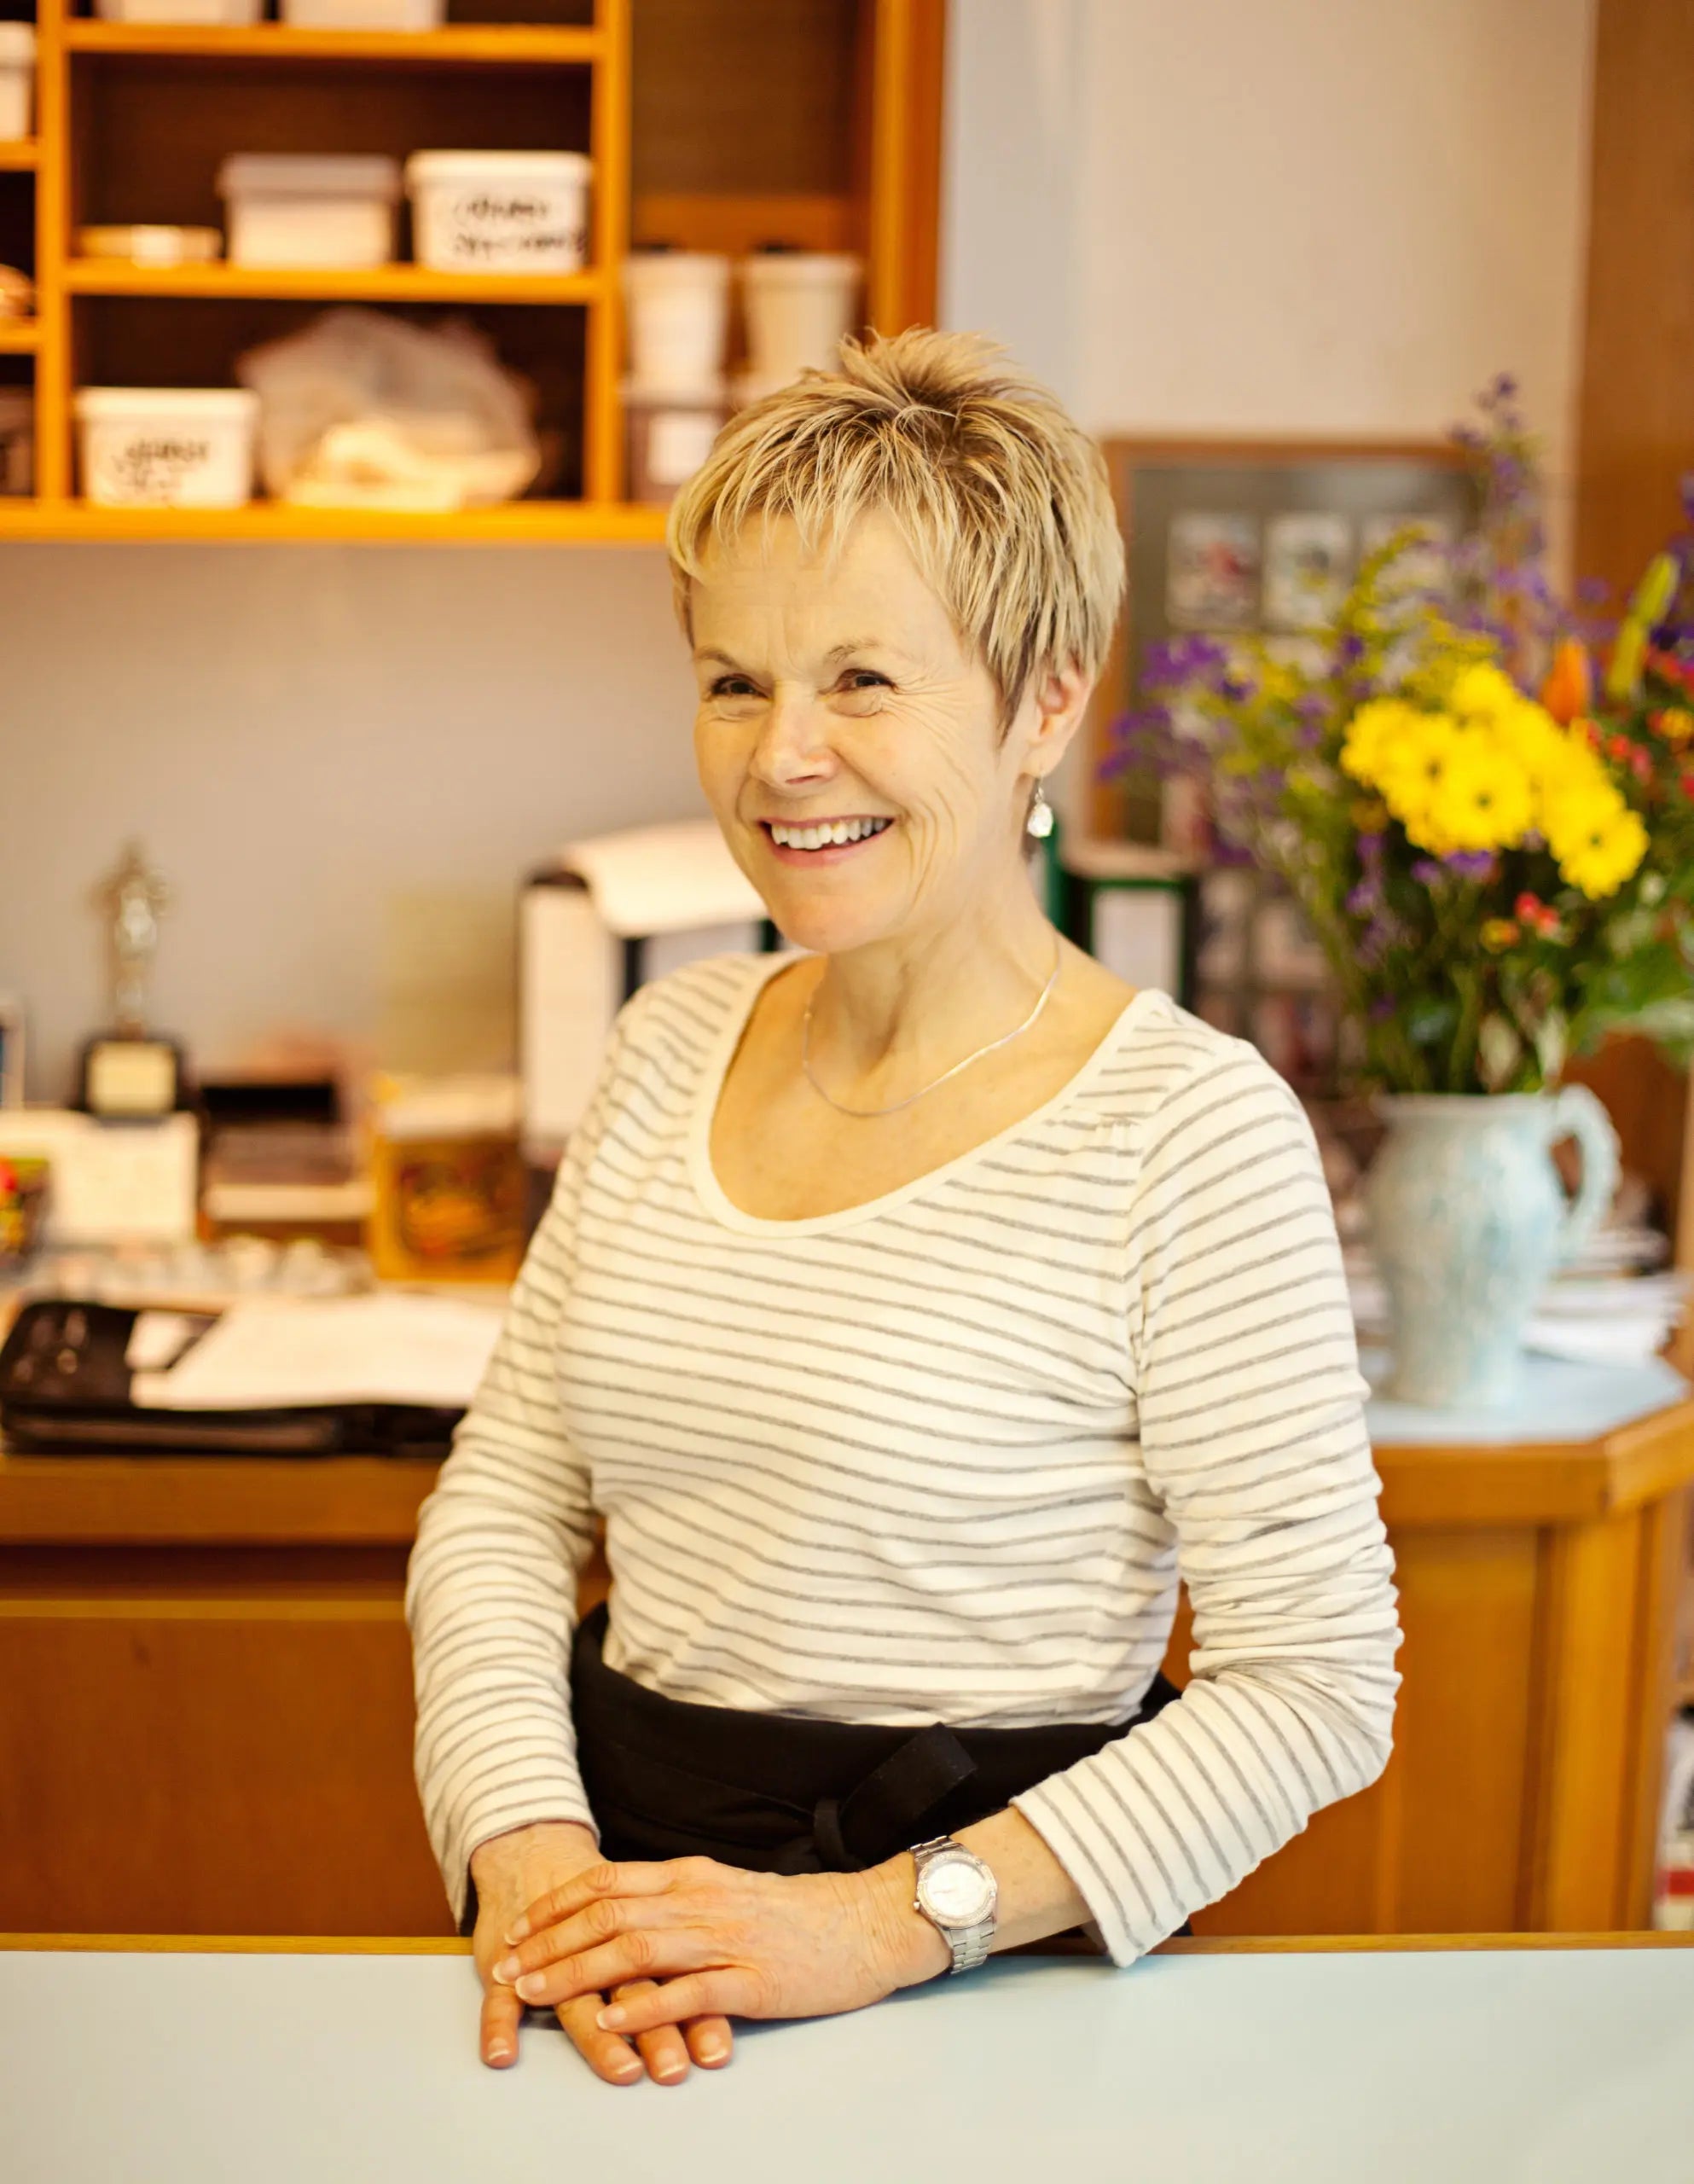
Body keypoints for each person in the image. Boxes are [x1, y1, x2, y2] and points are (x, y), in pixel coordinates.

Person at [405, 329, 1401, 2089]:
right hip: (615, 1962)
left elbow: (1314, 1683)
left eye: (863, 679)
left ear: (1045, 702)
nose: (783, 756)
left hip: (981, 1980)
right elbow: (504, 1501)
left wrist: (879, 1922)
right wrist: (526, 1848)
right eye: (735, 682)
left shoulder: (1189, 1131)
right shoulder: (669, 1041)